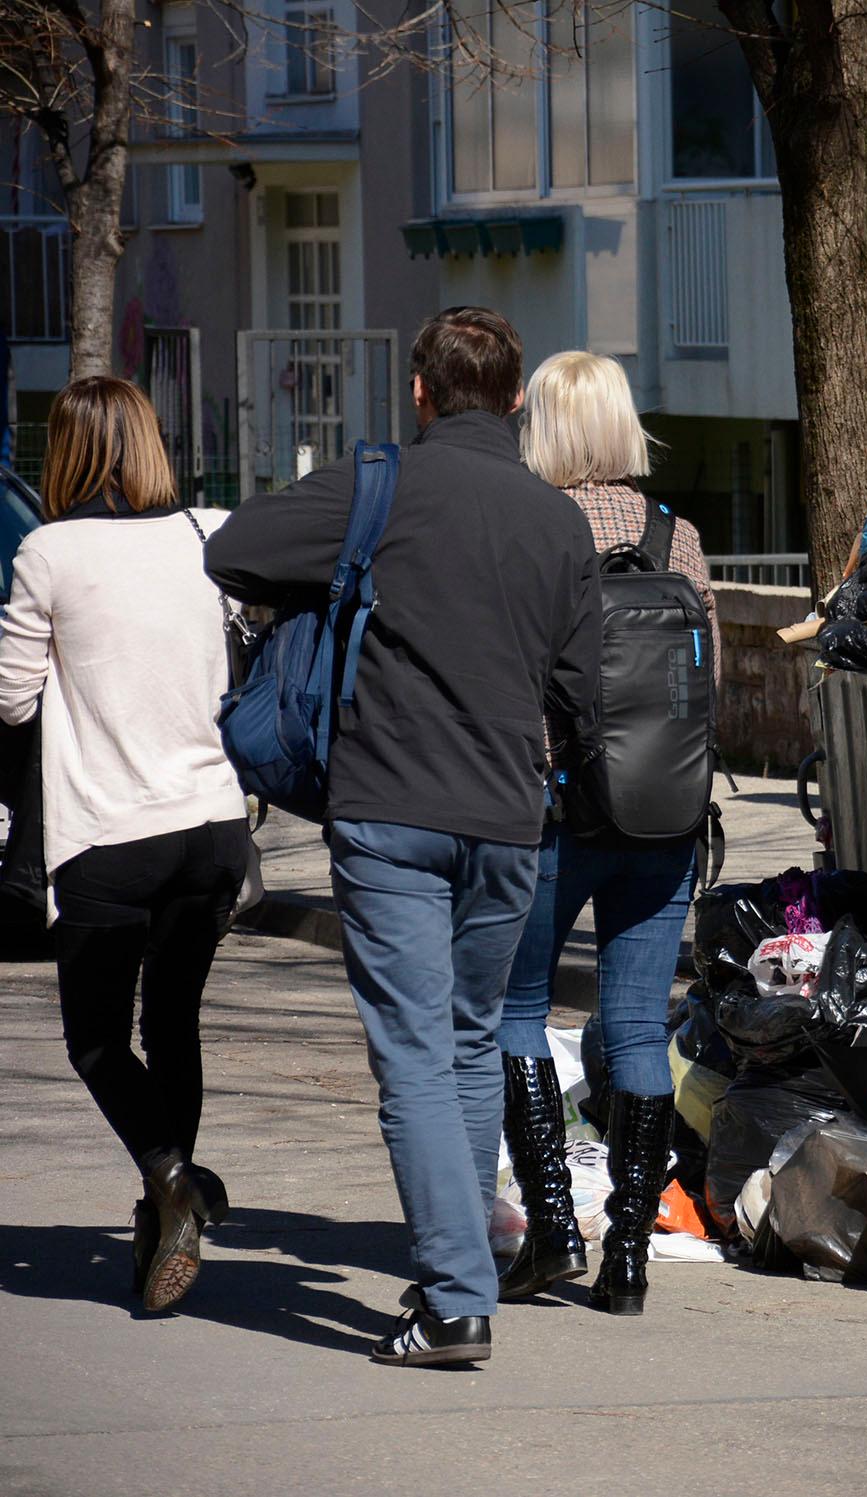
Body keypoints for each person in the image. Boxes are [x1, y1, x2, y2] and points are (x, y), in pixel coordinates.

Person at [204, 308, 600, 1368]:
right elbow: (579, 687)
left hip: (391, 810)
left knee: (419, 1059)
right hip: (510, 818)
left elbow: (236, 549)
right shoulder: (560, 523)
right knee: (470, 1044)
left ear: (420, 392)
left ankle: (458, 1300)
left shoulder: (378, 484)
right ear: (517, 399)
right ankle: (460, 1275)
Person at [0, 377, 249, 1313]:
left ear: (64, 452)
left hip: (110, 834)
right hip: (213, 828)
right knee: (172, 1023)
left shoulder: (49, 551)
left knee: (98, 1040)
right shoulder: (205, 536)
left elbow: (10, 697)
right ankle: (161, 1227)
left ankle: (174, 1175)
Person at [498, 350, 713, 1315]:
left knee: (517, 1008)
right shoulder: (682, 538)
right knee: (634, 1027)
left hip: (555, 810)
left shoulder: (530, 533)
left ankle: (552, 1221)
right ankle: (627, 1252)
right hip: (666, 816)